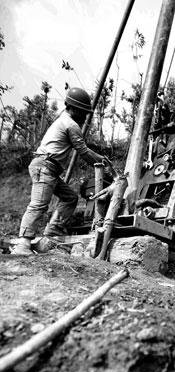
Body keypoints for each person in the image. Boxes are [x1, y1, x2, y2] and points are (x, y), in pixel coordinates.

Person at [12, 87, 108, 255]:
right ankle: (23, 244)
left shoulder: (62, 120)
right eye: (84, 112)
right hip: (45, 166)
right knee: (39, 204)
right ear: (75, 108)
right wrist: (102, 160)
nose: (86, 116)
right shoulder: (70, 124)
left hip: (50, 168)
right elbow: (83, 151)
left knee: (70, 198)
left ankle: (52, 232)